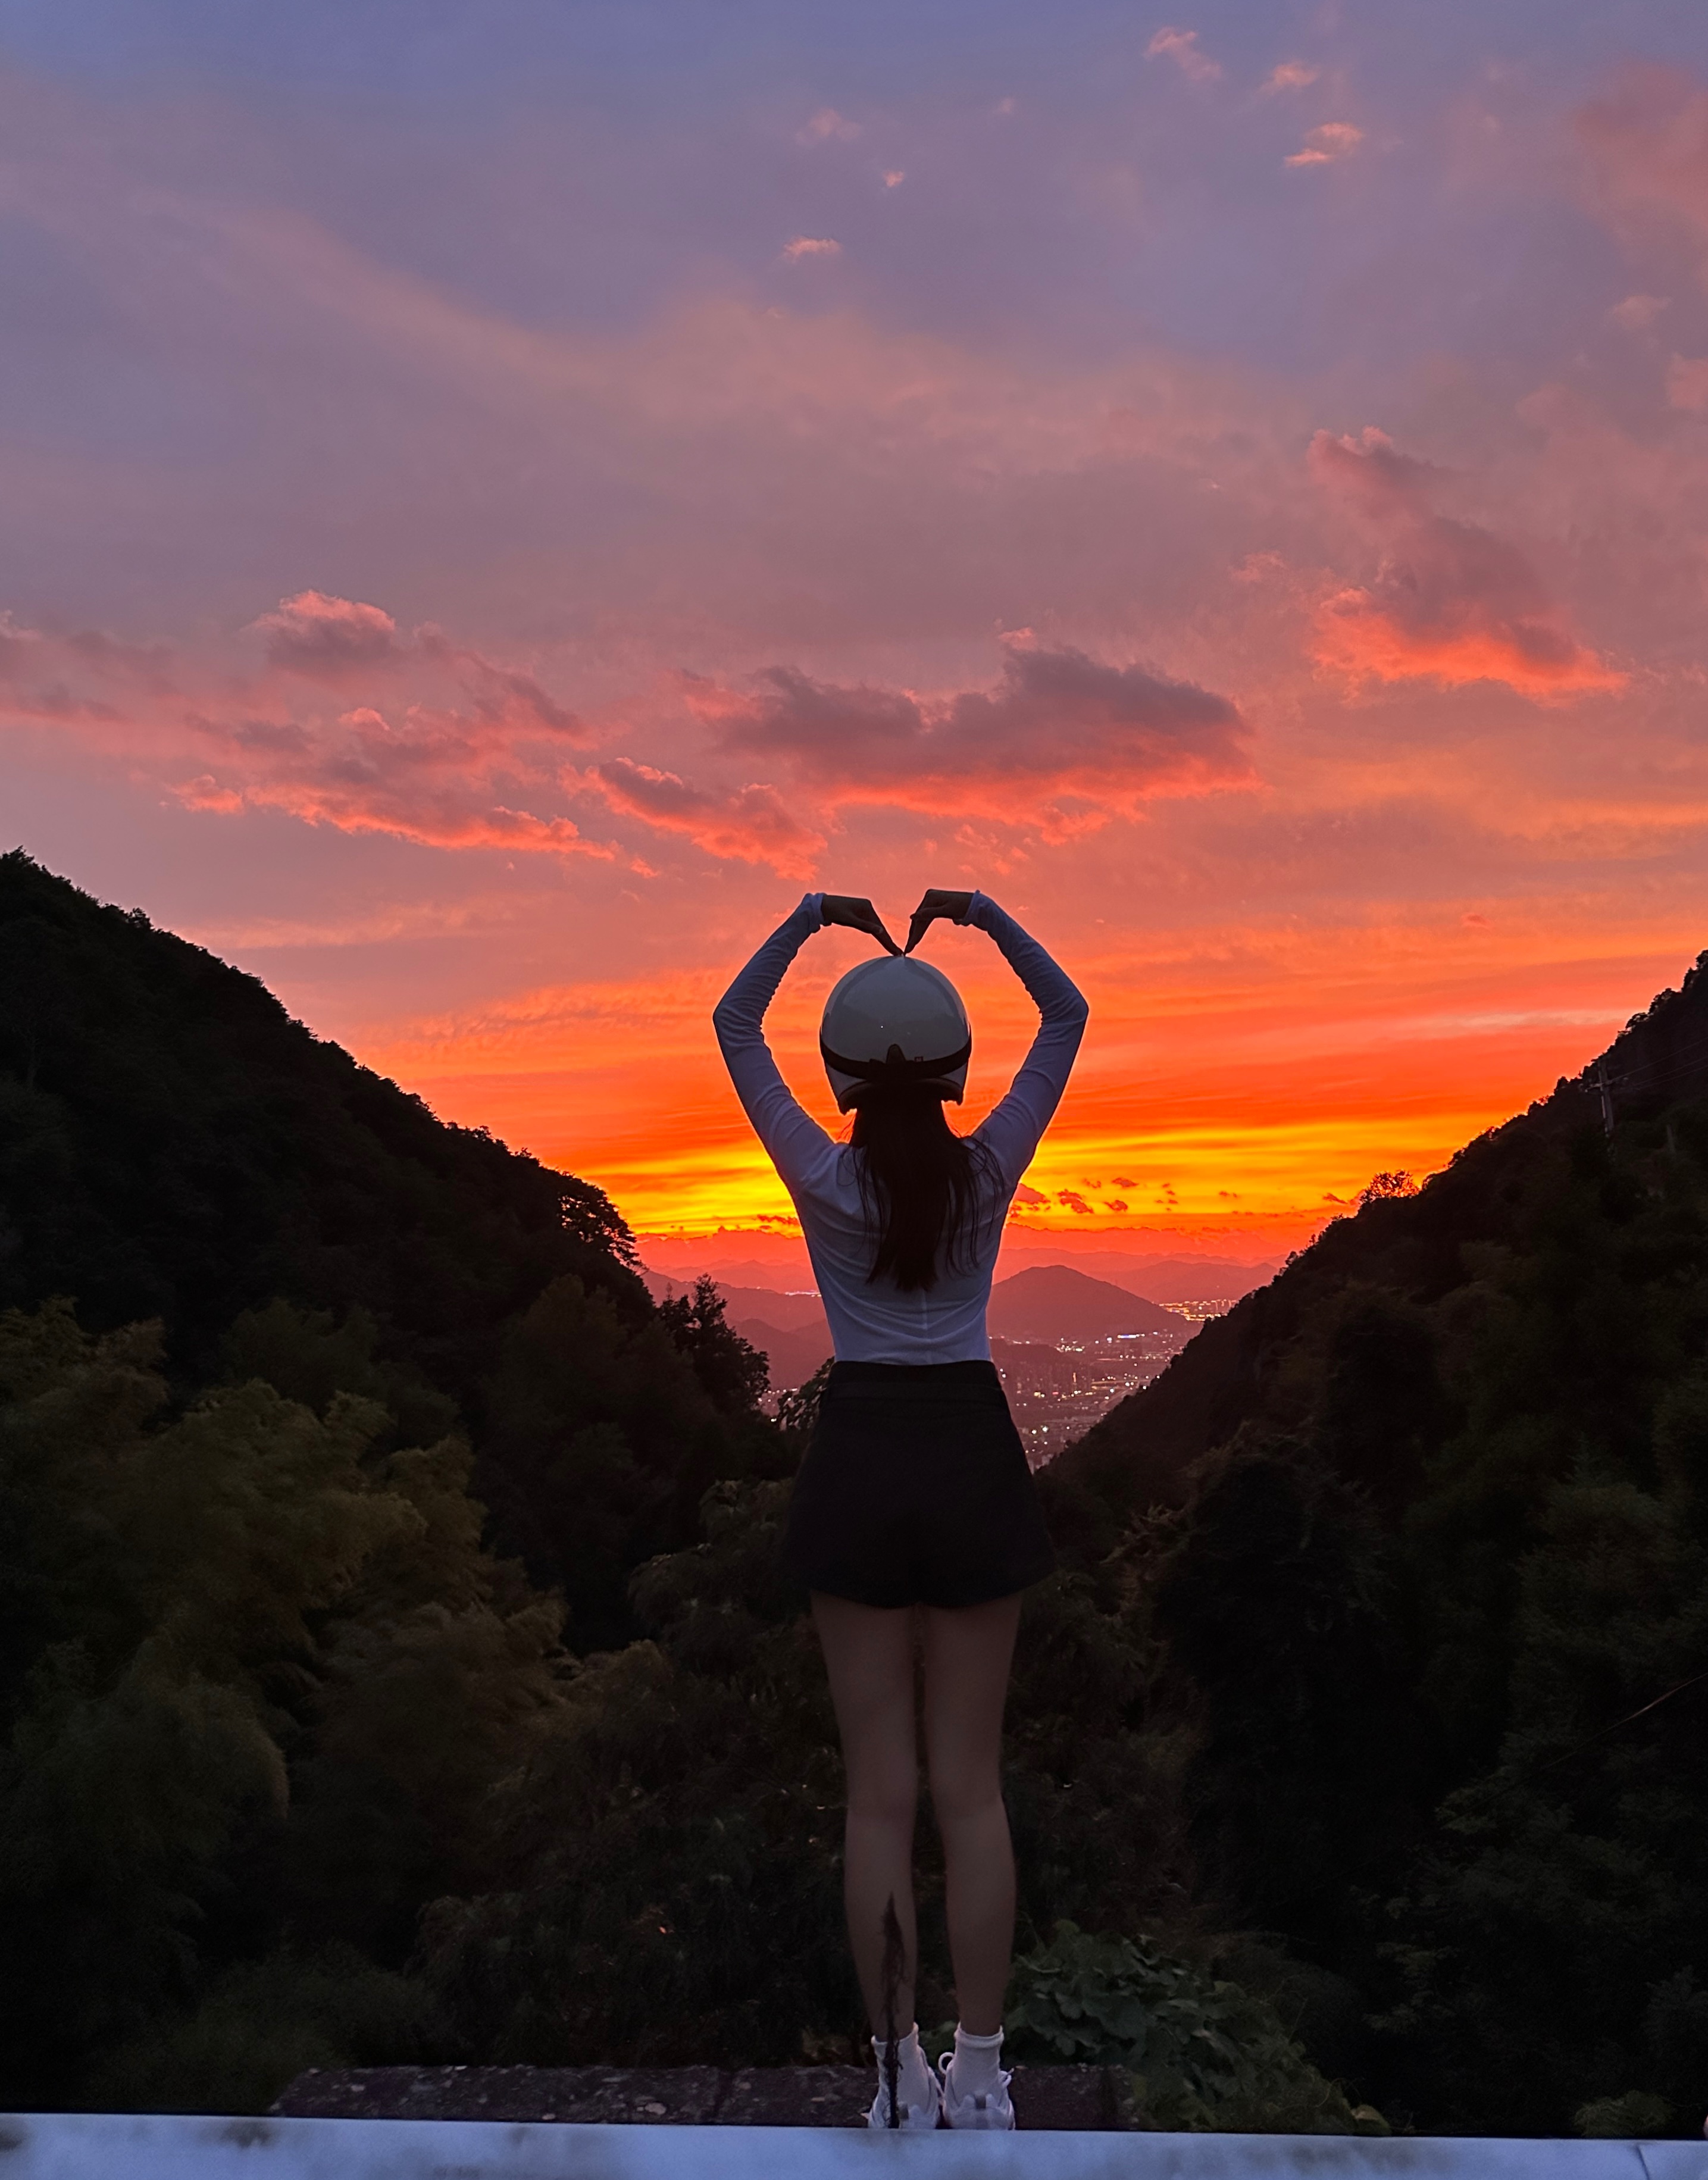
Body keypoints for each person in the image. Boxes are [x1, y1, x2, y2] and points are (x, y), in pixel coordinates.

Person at [712, 886, 1088, 2131]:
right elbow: (1068, 1012)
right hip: (971, 1448)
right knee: (968, 1788)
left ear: (842, 1074)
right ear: (952, 1064)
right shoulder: (987, 1170)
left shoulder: (824, 1176)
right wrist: (984, 915)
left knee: (878, 1790)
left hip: (862, 1450)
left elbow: (730, 1020)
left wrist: (811, 918)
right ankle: (982, 2075)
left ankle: (893, 2072)